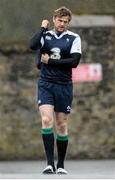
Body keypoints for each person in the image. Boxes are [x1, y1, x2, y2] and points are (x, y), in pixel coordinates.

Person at [29, 6, 81, 174]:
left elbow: (73, 62)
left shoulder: (74, 38)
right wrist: (42, 28)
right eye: (60, 21)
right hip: (46, 84)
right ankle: (50, 163)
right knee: (46, 120)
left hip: (64, 85)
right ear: (54, 19)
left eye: (65, 22)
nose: (62, 24)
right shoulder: (46, 35)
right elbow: (32, 45)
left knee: (62, 124)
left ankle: (61, 165)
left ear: (68, 23)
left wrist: (50, 61)